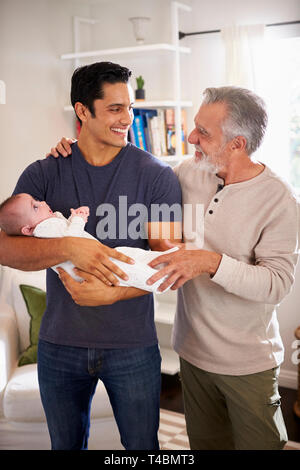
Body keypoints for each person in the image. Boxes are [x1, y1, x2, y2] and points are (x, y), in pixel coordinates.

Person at [53, 86, 299, 450]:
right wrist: (74, 152)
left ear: (237, 144)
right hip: (193, 354)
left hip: (248, 364)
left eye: (204, 132)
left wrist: (211, 262)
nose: (191, 136)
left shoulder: (280, 199)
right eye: (194, 125)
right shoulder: (189, 173)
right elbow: (136, 171)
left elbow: (277, 283)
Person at [0, 61, 182, 450]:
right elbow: (6, 248)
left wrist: (114, 294)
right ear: (83, 111)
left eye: (129, 107)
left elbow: (169, 262)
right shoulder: (44, 174)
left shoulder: (156, 176)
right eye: (115, 109)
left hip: (132, 346)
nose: (127, 119)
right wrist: (68, 246)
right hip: (59, 346)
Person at [0, 193, 178, 291]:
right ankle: (156, 281)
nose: (43, 202)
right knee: (128, 266)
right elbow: (73, 240)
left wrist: (69, 217)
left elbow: (65, 235)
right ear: (28, 230)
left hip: (95, 261)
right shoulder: (44, 228)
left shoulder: (46, 226)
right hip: (91, 267)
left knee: (129, 255)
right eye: (35, 206)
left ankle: (162, 260)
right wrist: (78, 218)